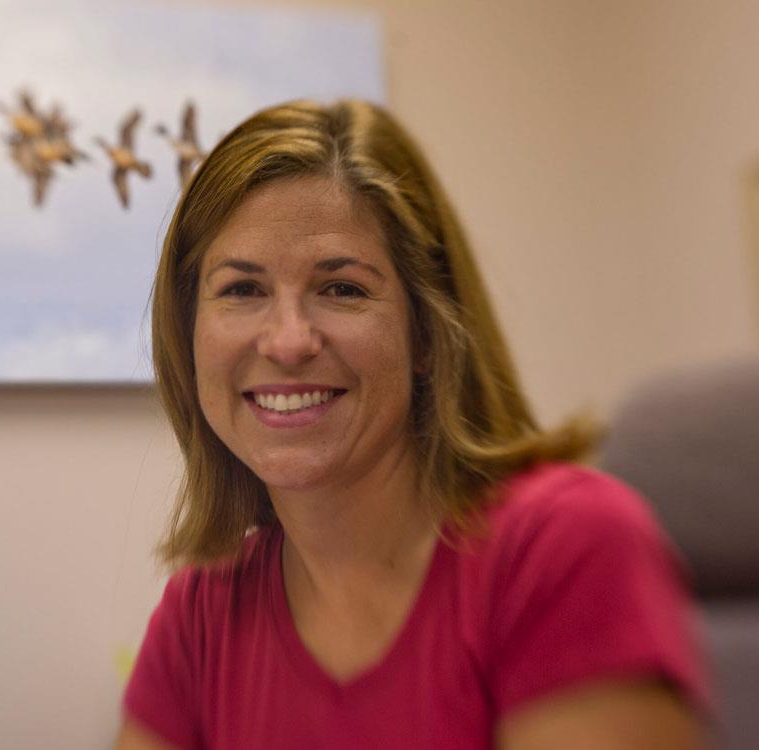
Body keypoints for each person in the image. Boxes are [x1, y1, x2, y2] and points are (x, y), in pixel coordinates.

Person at [117, 100, 712, 749]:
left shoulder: (562, 546)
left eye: (341, 288)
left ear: (427, 331)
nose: (288, 341)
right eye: (241, 290)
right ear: (189, 336)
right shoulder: (203, 610)